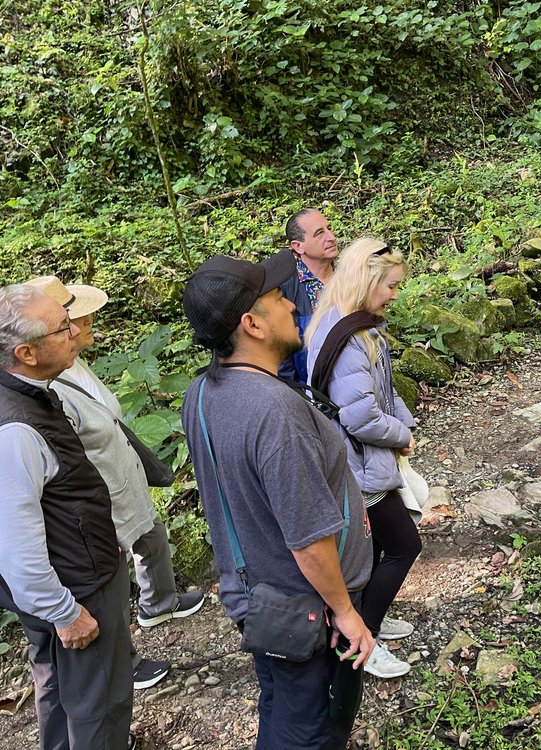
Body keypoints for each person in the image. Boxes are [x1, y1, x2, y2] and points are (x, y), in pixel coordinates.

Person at [180, 251, 374, 749]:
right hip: (306, 609)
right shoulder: (275, 413)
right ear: (252, 324)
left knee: (279, 704)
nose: (290, 303)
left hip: (259, 597)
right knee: (309, 728)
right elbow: (309, 538)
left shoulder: (202, 392)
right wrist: (345, 612)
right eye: (276, 297)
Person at [26, 275, 205, 690]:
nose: (86, 325)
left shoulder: (72, 362)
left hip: (119, 480)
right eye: (77, 318)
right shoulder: (45, 389)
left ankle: (159, 602)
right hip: (96, 498)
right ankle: (124, 660)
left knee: (150, 537)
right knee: (105, 580)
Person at [0, 284, 133, 749]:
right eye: (62, 327)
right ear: (26, 352)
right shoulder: (16, 429)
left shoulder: (27, 393)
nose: (76, 331)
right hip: (75, 590)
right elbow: (15, 546)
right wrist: (64, 612)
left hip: (64, 583)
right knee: (99, 702)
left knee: (58, 690)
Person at [305, 238, 421, 680]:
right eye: (391, 286)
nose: (395, 295)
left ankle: (372, 610)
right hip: (359, 464)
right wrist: (400, 436)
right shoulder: (350, 336)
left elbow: (384, 392)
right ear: (367, 280)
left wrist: (406, 425)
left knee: (370, 550)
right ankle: (365, 637)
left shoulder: (355, 324)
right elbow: (360, 415)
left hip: (365, 457)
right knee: (405, 545)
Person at [279, 208, 340, 382]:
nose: (331, 237)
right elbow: (281, 352)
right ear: (298, 246)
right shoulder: (285, 290)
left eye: (329, 228)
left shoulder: (349, 278)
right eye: (320, 233)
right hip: (311, 388)